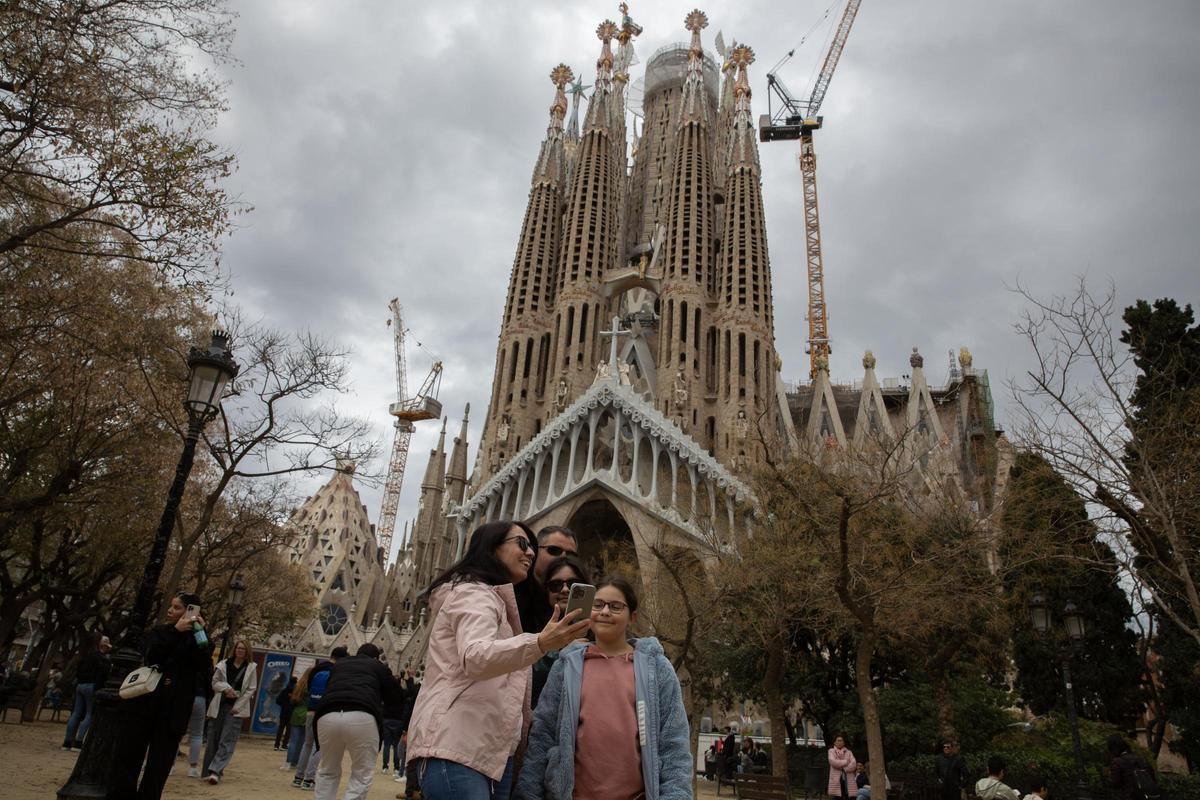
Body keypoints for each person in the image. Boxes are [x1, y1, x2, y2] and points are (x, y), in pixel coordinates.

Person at [406, 520, 591, 800]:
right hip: (460, 749)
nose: (530, 553)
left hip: (490, 754)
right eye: (522, 543)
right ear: (491, 548)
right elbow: (476, 656)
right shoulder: (474, 594)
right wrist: (542, 643)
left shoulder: (498, 602)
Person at [518, 575, 693, 800]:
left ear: (633, 617)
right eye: (598, 605)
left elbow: (674, 744)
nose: (605, 612)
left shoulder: (656, 669)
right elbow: (543, 735)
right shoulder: (567, 665)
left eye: (616, 606)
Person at [107, 591, 213, 800]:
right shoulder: (161, 632)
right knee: (129, 756)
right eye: (172, 607)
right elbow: (153, 655)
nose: (172, 611)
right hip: (146, 702)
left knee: (159, 764)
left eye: (177, 607)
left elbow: (204, 666)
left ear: (191, 612)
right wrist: (175, 632)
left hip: (174, 707)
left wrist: (201, 633)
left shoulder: (200, 640)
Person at [311, 643, 404, 800]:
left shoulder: (340, 665)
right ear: (376, 657)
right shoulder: (377, 666)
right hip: (362, 714)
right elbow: (396, 696)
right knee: (361, 774)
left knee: (327, 770)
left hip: (327, 714)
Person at [531, 554, 591, 707]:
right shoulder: (531, 627)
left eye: (573, 584)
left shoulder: (600, 626)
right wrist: (558, 654)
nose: (565, 590)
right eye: (556, 585)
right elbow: (525, 681)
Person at [202, 639, 258, 784]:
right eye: (238, 648)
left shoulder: (250, 668)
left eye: (243, 649)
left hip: (235, 708)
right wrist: (226, 688)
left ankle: (215, 771)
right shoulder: (223, 665)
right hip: (220, 704)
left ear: (247, 652)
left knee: (227, 739)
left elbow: (251, 689)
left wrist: (238, 705)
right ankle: (210, 769)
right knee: (213, 738)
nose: (240, 651)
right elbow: (214, 683)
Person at [293, 646, 347, 789]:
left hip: (310, 709)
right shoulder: (336, 671)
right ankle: (309, 779)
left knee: (307, 744)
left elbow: (309, 688)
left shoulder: (316, 668)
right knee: (319, 746)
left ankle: (298, 777)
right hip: (324, 712)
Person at [62, 633, 111, 750]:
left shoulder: (84, 655)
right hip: (92, 686)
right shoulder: (100, 657)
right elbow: (104, 673)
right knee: (89, 714)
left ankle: (67, 742)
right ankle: (78, 742)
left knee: (76, 713)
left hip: (80, 685)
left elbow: (78, 671)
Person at [1106, 734, 1156, 800]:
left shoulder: (1117, 762)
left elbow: (1115, 783)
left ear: (1113, 749)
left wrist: (1109, 775)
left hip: (1130, 796)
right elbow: (1152, 776)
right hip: (1147, 796)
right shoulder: (1141, 759)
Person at [286, 667, 312, 770]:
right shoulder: (312, 687)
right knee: (303, 741)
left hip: (296, 713)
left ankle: (289, 761)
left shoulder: (298, 685)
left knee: (293, 740)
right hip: (307, 713)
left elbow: (293, 701)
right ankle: (297, 762)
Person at [380, 671, 406, 775]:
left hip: (386, 719)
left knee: (386, 744)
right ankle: (396, 767)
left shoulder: (387, 693)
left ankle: (385, 766)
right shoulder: (402, 693)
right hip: (398, 720)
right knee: (395, 745)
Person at [828, 734, 858, 800]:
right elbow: (832, 761)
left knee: (849, 796)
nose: (839, 742)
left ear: (844, 742)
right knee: (837, 797)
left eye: (841, 741)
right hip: (836, 778)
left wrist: (845, 769)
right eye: (838, 740)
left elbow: (853, 763)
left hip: (848, 778)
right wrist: (846, 762)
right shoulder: (831, 751)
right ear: (834, 742)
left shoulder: (849, 752)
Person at [275, 674, 297, 750]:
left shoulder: (284, 690)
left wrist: (283, 704)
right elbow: (297, 702)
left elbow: (278, 700)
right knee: (288, 730)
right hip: (291, 713)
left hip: (283, 712)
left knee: (280, 728)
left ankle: (276, 745)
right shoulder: (296, 692)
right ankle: (284, 745)